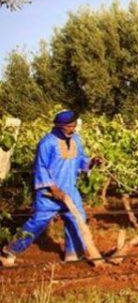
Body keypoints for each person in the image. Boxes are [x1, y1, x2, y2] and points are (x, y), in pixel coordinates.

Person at [1, 110, 103, 267]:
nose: (73, 129)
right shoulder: (46, 143)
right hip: (49, 191)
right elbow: (40, 168)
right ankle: (9, 251)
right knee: (38, 222)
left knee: (77, 219)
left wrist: (92, 161)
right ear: (60, 126)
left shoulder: (76, 139)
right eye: (70, 126)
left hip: (70, 188)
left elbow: (81, 160)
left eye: (74, 125)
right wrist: (53, 188)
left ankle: (73, 254)